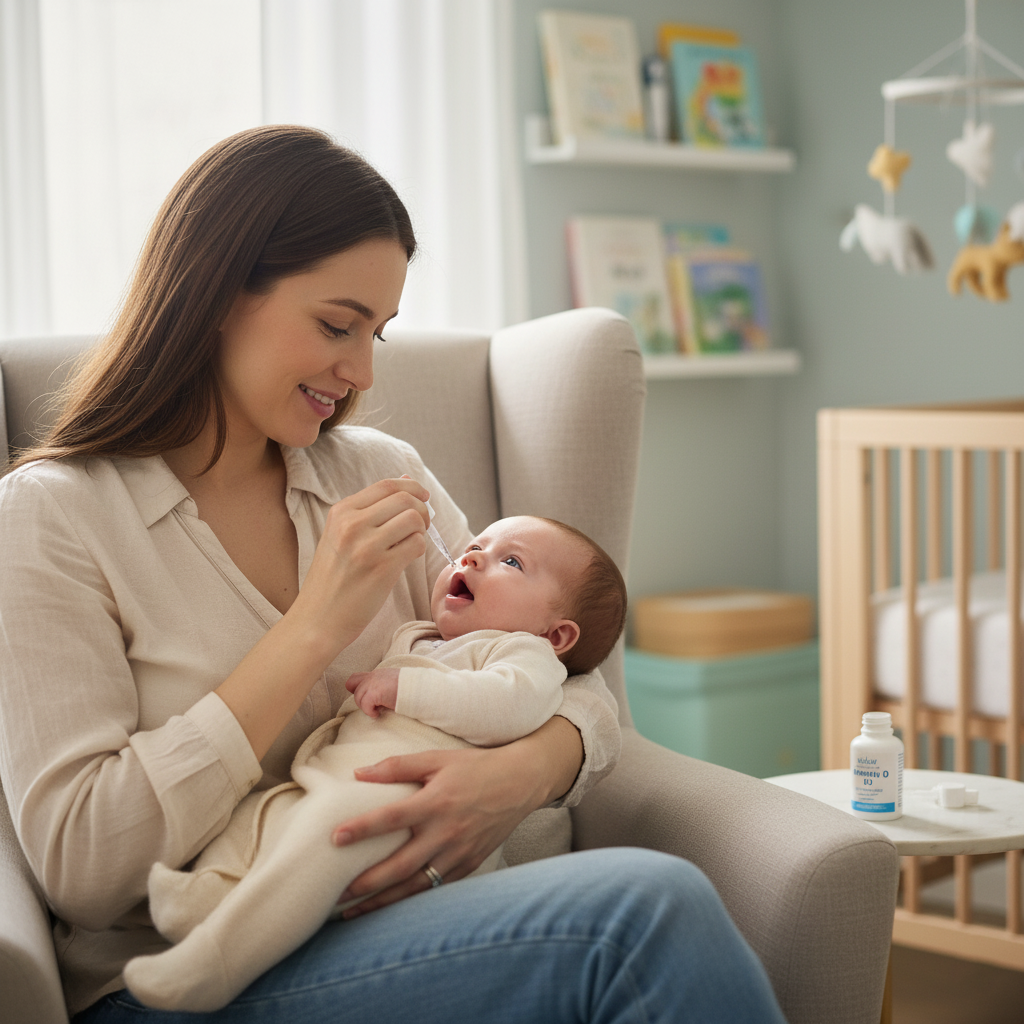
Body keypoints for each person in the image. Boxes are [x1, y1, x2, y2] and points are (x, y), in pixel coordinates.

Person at [0, 124, 787, 1023]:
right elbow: (81, 866)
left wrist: (527, 772)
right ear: (217, 292)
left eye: (378, 331)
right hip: (179, 977)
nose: (362, 370)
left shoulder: (377, 474)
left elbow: (565, 670)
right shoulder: (53, 518)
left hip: (419, 929)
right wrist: (313, 630)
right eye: (338, 324)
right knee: (641, 914)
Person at [123, 514, 628, 1012]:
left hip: (415, 802)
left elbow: (507, 705)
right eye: (477, 544)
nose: (473, 555)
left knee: (331, 832)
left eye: (511, 561)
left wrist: (405, 688)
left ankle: (219, 965)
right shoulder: (422, 635)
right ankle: (202, 903)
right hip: (335, 778)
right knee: (259, 819)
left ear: (557, 636)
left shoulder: (521, 653)